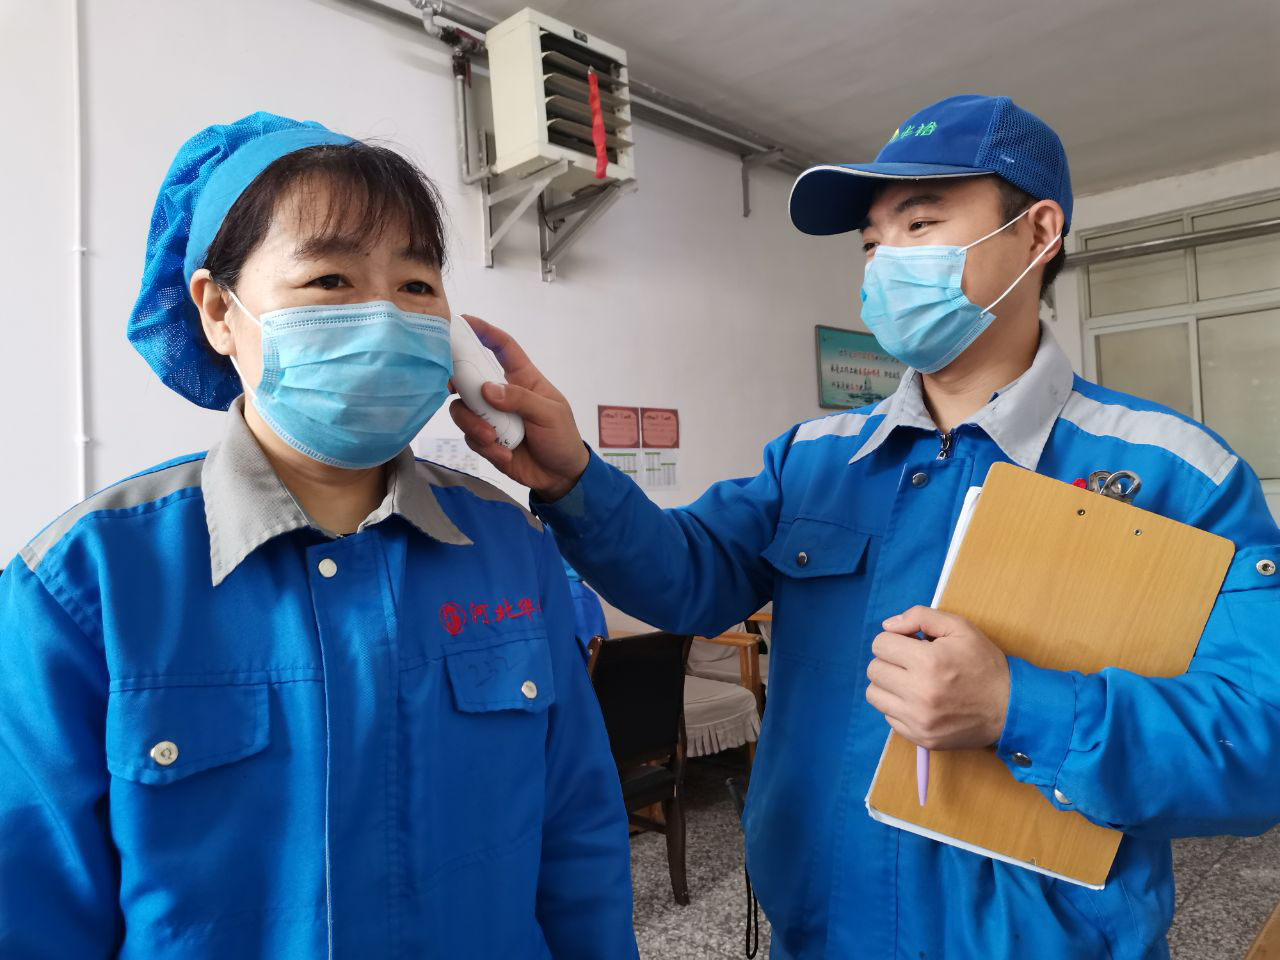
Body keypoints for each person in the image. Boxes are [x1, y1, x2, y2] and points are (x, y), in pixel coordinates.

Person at [450, 95, 1280, 958]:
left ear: (1038, 234)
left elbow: (1261, 737)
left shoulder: (1173, 474)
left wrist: (1018, 706)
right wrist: (574, 478)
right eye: (873, 244)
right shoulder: (814, 459)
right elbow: (686, 575)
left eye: (920, 224)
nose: (886, 263)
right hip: (823, 929)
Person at [0, 112, 637, 959]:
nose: (384, 316)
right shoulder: (83, 584)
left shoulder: (509, 547)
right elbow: (32, 905)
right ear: (218, 311)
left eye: (417, 286)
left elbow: (578, 836)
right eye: (330, 279)